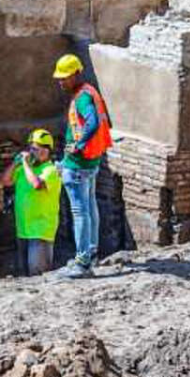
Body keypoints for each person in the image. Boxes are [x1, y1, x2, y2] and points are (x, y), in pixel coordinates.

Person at [53, 54, 113, 279]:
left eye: (65, 77)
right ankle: (91, 252)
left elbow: (93, 122)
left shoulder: (82, 98)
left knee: (80, 213)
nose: (61, 82)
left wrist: (78, 145)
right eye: (59, 78)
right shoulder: (89, 91)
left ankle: (83, 262)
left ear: (77, 74)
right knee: (89, 208)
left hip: (79, 165)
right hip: (91, 162)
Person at [0, 129, 62, 275]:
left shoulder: (51, 170)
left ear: (46, 151)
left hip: (40, 231)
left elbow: (37, 185)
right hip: (23, 230)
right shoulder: (23, 170)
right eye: (31, 149)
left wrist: (26, 165)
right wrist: (16, 164)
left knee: (38, 275)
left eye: (36, 149)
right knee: (24, 275)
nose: (33, 152)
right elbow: (5, 181)